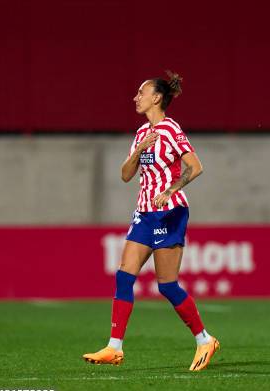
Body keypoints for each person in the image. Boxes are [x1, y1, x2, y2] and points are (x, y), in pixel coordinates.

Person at [83, 71, 219, 370]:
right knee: (124, 276)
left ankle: (204, 339)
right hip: (144, 213)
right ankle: (114, 348)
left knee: (167, 285)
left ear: (156, 97)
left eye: (141, 92)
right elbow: (125, 175)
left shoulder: (171, 129)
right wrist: (141, 150)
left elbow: (195, 167)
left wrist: (170, 190)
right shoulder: (142, 134)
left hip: (169, 212)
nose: (136, 97)